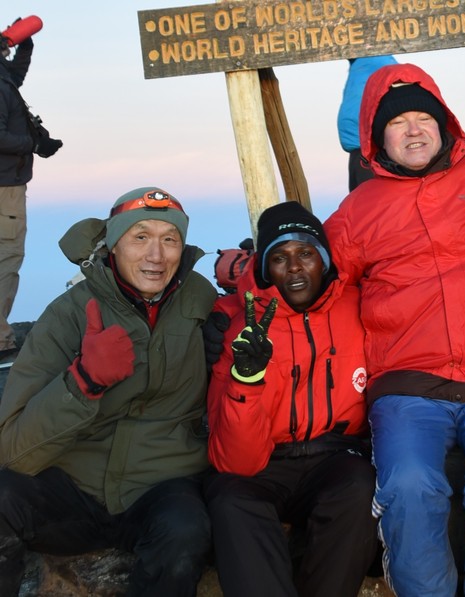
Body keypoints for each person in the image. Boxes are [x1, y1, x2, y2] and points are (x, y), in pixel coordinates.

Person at [324, 62, 465, 597]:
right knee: (407, 485)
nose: (414, 130)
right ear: (377, 139)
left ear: (445, 121)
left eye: (424, 117)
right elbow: (309, 274)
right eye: (398, 124)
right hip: (408, 385)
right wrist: (241, 271)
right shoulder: (358, 211)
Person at [0, 187, 216, 595]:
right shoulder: (69, 314)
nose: (156, 255)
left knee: (185, 533)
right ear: (112, 244)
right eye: (140, 237)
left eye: (170, 239)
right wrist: (82, 382)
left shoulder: (200, 302)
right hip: (73, 486)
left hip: (162, 484)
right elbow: (13, 449)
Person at [204, 200, 377, 597]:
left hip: (334, 456)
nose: (295, 267)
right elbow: (237, 462)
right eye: (279, 258)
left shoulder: (358, 304)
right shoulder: (235, 323)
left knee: (358, 488)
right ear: (264, 269)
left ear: (325, 260)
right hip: (262, 462)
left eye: (306, 253)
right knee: (231, 500)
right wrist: (246, 379)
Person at [0, 18, 61, 360]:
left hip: (7, 182)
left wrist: (25, 42)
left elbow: (15, 76)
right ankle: (1, 342)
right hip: (4, 186)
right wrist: (34, 144)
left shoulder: (3, 78)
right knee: (6, 257)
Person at [337, 55, 397, 191]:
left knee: (372, 205)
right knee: (360, 205)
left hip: (373, 151)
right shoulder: (362, 65)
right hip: (360, 149)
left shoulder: (379, 61)